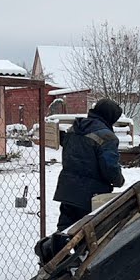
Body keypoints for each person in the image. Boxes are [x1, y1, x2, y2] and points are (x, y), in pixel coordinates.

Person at [53, 98, 125, 230]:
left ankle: (55, 249)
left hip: (67, 188)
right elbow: (109, 168)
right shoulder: (107, 137)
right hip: (91, 195)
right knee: (90, 235)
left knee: (65, 231)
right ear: (110, 117)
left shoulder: (74, 128)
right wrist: (119, 180)